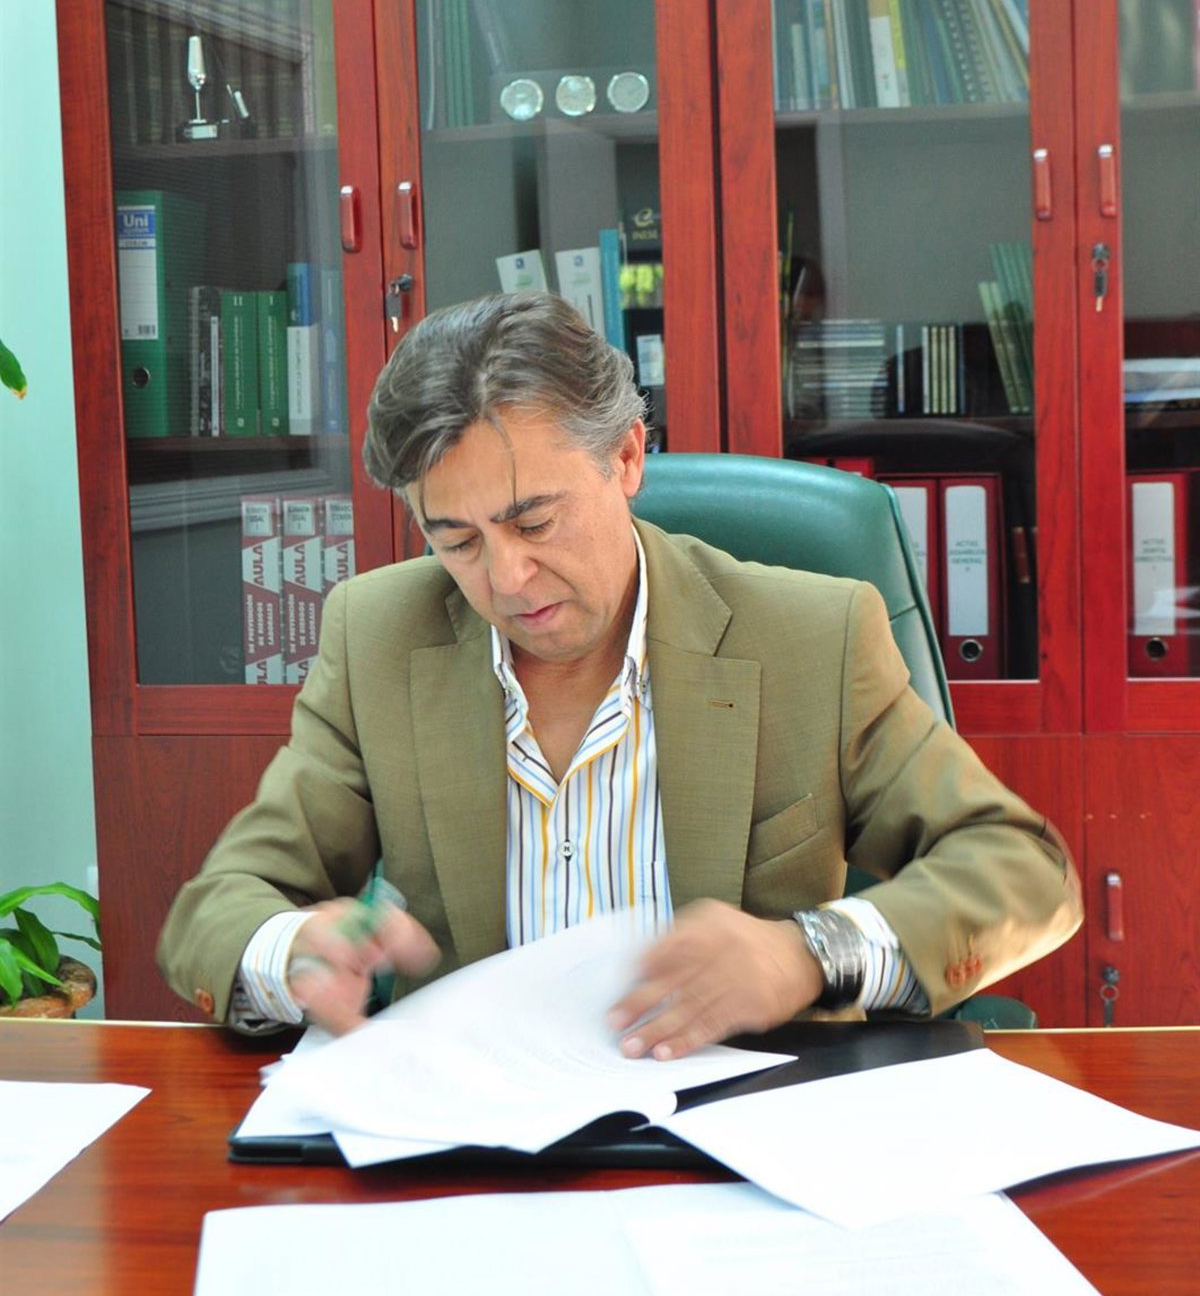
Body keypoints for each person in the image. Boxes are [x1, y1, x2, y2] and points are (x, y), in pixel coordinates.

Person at [157, 290, 1082, 1054]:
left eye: (534, 521)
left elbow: (1024, 873)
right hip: (482, 1138)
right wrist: (293, 950)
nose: (506, 578)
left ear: (628, 457)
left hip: (739, 1134)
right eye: (457, 540)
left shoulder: (812, 636)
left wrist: (809, 952)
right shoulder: (378, 637)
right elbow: (217, 909)